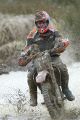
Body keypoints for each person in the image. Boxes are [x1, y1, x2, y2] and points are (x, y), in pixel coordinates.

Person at [19, 11, 75, 106]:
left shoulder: (53, 31)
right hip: (37, 58)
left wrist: (61, 44)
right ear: (36, 24)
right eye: (39, 23)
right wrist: (23, 55)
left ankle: (65, 89)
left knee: (62, 68)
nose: (41, 25)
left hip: (52, 56)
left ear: (47, 22)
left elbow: (59, 39)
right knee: (30, 75)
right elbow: (27, 47)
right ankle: (33, 96)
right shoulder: (32, 34)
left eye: (43, 22)